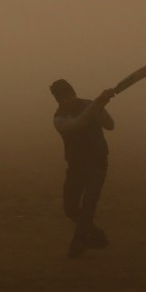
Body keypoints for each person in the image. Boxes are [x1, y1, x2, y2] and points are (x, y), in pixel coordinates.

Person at [50, 79, 115, 258]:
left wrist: (100, 106)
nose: (68, 101)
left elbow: (110, 125)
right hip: (76, 165)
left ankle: (78, 242)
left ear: (74, 93)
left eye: (69, 96)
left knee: (88, 205)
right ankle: (96, 235)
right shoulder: (59, 118)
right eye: (63, 99)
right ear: (58, 100)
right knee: (70, 208)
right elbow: (77, 124)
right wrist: (97, 104)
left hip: (98, 162)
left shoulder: (89, 104)